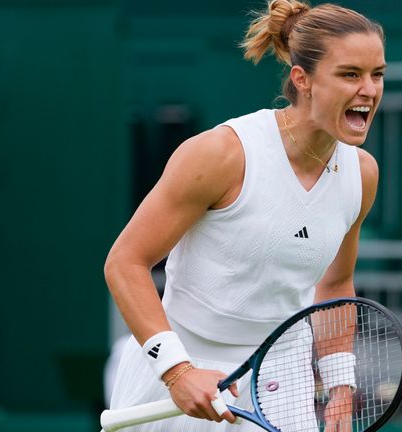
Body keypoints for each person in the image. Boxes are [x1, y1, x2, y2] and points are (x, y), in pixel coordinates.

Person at [104, 1, 385, 430]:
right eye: (350, 74)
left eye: (377, 74)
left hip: (283, 379)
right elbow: (125, 263)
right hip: (180, 370)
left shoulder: (361, 174)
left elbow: (334, 284)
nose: (369, 89)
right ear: (302, 80)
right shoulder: (222, 154)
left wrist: (341, 392)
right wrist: (178, 371)